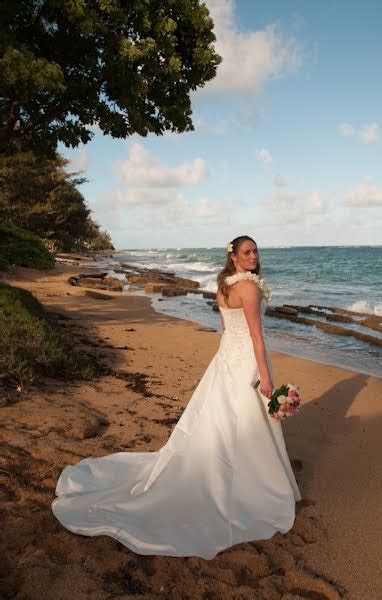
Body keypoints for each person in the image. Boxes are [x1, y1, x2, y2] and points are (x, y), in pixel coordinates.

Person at [52, 235, 301, 560]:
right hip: (247, 362)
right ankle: (251, 482)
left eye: (255, 251)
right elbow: (256, 335)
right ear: (235, 257)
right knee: (244, 420)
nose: (253, 256)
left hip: (227, 358)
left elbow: (226, 329)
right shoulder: (250, 288)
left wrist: (227, 360)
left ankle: (233, 467)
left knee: (223, 419)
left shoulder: (225, 284)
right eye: (247, 252)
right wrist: (265, 376)